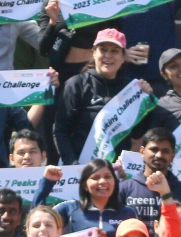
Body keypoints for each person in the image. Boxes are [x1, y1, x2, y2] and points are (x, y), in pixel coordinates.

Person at [53, 28, 154, 164]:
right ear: (94, 53)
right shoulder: (76, 84)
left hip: (116, 173)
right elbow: (60, 131)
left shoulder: (132, 89)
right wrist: (73, 166)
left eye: (114, 51)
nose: (108, 55)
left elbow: (137, 133)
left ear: (123, 57)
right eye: (103, 50)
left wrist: (145, 100)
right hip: (81, 170)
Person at [39, 0, 125, 83]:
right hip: (59, 71)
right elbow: (43, 49)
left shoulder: (98, 2)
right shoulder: (51, 3)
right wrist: (53, 21)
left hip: (89, 70)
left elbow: (110, 37)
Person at [119, 127, 181, 235]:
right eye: (154, 149)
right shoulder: (124, 189)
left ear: (173, 156)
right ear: (142, 151)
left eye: (165, 151)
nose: (159, 155)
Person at [55, 159, 139, 237]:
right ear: (85, 185)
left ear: (115, 182)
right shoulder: (68, 209)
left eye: (108, 177)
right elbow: (39, 226)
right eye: (95, 178)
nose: (103, 181)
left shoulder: (128, 213)